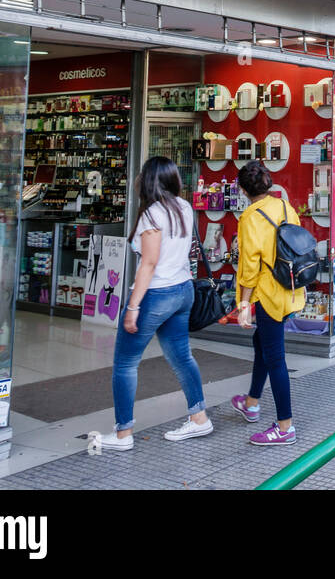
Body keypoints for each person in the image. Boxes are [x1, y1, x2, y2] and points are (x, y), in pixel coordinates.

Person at [96, 156, 210, 451]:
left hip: (157, 294)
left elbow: (149, 263)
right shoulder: (184, 208)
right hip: (183, 290)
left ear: (147, 181)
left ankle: (123, 434)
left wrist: (133, 306)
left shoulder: (152, 215)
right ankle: (199, 418)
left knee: (124, 363)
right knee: (182, 357)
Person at [231, 162, 305, 446]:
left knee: (275, 358)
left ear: (242, 190)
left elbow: (250, 268)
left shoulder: (250, 218)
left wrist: (244, 304)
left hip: (267, 295)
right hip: (291, 290)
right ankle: (250, 402)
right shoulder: (286, 207)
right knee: (261, 344)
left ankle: (285, 427)